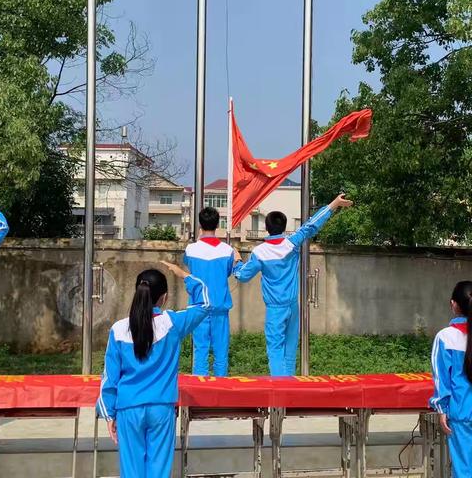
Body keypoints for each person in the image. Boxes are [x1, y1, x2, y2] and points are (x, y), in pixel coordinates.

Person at [97, 261, 212, 478]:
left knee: (131, 472)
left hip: (128, 409)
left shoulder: (118, 329)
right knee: (158, 471)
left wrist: (109, 414)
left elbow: (109, 378)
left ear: (137, 292)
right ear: (164, 298)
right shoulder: (173, 323)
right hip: (161, 409)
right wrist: (185, 275)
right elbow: (205, 303)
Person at [233, 194, 353, 376]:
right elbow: (312, 225)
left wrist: (237, 261)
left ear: (267, 228)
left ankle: (279, 396)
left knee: (275, 351)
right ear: (283, 226)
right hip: (292, 306)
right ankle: (288, 395)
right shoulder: (291, 244)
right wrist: (334, 203)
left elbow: (241, 276)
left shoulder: (260, 252)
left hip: (275, 309)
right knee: (290, 352)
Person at [183, 207, 235, 376]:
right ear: (217, 224)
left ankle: (200, 392)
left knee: (201, 352)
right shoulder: (227, 250)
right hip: (220, 306)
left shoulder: (190, 249)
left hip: (199, 307)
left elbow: (188, 267)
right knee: (221, 353)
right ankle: (222, 393)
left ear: (200, 224)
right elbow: (228, 272)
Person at [430, 281, 472, 478]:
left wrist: (442, 409)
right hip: (462, 412)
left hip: (461, 412)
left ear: (454, 304)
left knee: (463, 468)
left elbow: (441, 379)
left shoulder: (445, 337)